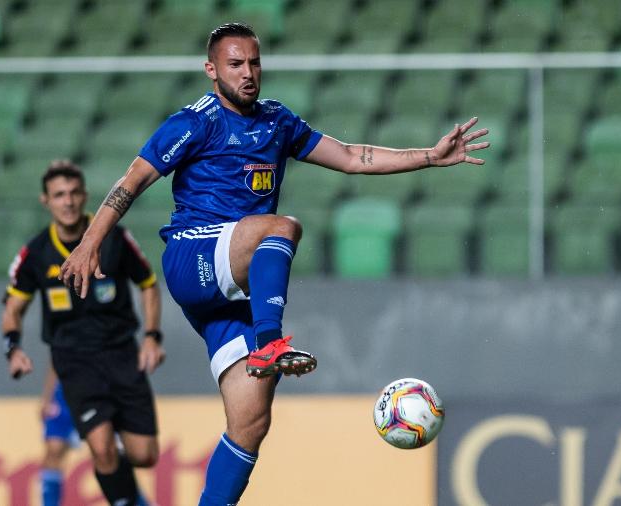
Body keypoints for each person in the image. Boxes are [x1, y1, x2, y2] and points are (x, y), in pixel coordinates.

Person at [58, 22, 490, 505]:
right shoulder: (194, 122)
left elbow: (350, 156)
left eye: (254, 63)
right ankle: (269, 341)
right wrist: (91, 241)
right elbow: (133, 180)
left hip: (230, 291)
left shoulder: (276, 122)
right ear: (211, 70)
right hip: (192, 255)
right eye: (235, 64)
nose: (248, 73)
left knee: (250, 423)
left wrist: (428, 157)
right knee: (281, 227)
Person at [2, 160, 165, 506]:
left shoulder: (114, 238)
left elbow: (149, 285)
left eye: (75, 193)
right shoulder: (35, 253)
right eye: (59, 195)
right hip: (75, 364)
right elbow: (13, 308)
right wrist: (12, 348)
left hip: (122, 353)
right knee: (102, 448)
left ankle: (123, 484)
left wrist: (152, 336)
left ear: (86, 195)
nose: (69, 201)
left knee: (145, 454)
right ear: (46, 201)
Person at [37, 366, 81, 506]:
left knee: (110, 453)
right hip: (64, 391)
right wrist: (47, 396)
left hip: (99, 387)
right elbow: (55, 353)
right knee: (53, 450)